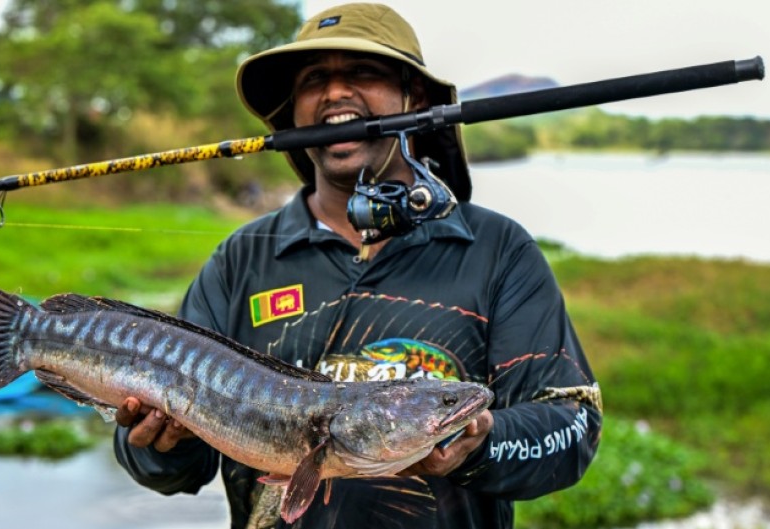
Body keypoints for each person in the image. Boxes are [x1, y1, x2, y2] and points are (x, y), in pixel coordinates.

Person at [113, 3, 602, 528]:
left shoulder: (497, 249)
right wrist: (160, 445)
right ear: (293, 110)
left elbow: (572, 428)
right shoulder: (241, 259)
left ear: (414, 96)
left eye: (363, 71)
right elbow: (176, 473)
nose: (335, 92)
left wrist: (480, 447)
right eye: (313, 79)